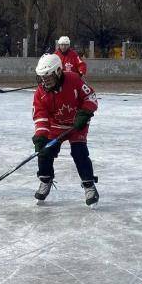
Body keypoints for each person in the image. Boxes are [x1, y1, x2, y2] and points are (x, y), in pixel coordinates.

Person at [32, 53, 99, 206]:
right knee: (44, 153)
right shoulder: (40, 93)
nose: (44, 80)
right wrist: (40, 136)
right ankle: (45, 180)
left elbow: (91, 97)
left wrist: (85, 113)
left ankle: (89, 185)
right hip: (56, 126)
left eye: (47, 76)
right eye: (42, 77)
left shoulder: (74, 79)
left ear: (58, 72)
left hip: (77, 124)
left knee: (79, 152)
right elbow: (40, 116)